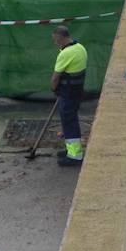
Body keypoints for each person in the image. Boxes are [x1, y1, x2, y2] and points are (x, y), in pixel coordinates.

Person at [51, 25, 88, 167]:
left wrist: (54, 89)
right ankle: (70, 150)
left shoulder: (65, 54)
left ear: (61, 37)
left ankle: (75, 156)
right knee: (70, 120)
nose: (55, 43)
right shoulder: (80, 48)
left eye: (56, 40)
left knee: (69, 123)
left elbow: (55, 77)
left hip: (67, 93)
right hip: (77, 91)